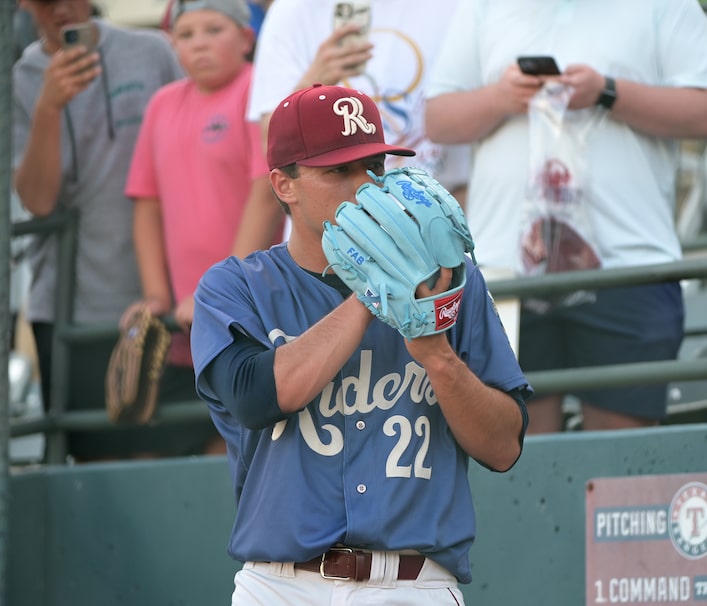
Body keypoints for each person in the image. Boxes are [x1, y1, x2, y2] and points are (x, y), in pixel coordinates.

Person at [190, 83, 531, 604]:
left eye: (375, 167)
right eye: (338, 171)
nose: (364, 186)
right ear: (284, 185)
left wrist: (438, 357)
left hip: (414, 584)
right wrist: (376, 291)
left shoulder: (449, 280)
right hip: (282, 585)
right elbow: (255, 398)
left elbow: (504, 447)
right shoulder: (236, 285)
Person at [425, 0, 707, 432]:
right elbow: (437, 120)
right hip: (506, 270)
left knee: (621, 480)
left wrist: (607, 91)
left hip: (628, 265)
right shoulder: (482, 7)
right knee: (522, 472)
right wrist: (501, 97)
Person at [13, 0, 183, 459]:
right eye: (47, 0)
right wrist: (48, 108)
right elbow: (37, 200)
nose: (62, 9)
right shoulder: (16, 81)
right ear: (25, 5)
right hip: (73, 309)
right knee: (97, 466)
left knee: (184, 451)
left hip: (170, 299)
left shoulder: (152, 51)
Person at [121, 0, 285, 456]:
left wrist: (221, 290)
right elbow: (146, 203)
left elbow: (266, 190)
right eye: (187, 34)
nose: (199, 44)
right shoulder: (161, 104)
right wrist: (157, 294)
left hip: (250, 315)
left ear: (246, 38)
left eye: (214, 29)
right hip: (182, 326)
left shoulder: (259, 92)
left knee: (240, 450)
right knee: (171, 448)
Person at [245, 0, 470, 201]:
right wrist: (312, 84)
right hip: (332, 228)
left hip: (436, 216)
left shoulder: (458, 6)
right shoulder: (292, 11)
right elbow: (271, 147)